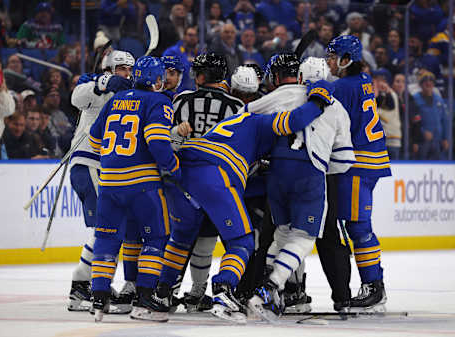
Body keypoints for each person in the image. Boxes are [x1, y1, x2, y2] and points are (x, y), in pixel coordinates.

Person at [155, 81, 329, 323]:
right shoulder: (258, 120)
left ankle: (161, 293)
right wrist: (319, 100)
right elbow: (294, 121)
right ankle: (224, 291)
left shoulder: (231, 122)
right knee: (242, 241)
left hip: (183, 172)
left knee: (181, 239)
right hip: (215, 173)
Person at [248, 57, 355, 321]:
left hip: (276, 172)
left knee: (282, 232)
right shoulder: (336, 107)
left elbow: (245, 114)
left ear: (299, 75)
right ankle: (271, 286)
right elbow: (342, 161)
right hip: (310, 173)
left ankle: (262, 287)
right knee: (305, 238)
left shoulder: (281, 93)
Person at [88, 56, 179, 322]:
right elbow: (157, 141)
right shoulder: (159, 101)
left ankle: (99, 297)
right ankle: (144, 299)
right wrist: (174, 168)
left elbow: (95, 141)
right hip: (142, 185)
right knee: (156, 238)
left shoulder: (116, 100)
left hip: (108, 183)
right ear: (156, 80)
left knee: (106, 239)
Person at [169, 53, 244, 312]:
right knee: (207, 240)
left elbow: (170, 141)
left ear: (200, 76)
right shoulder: (235, 105)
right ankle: (199, 292)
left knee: (178, 238)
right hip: (218, 181)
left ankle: (167, 289)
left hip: (183, 179)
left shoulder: (181, 100)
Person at [325, 35, 391, 310]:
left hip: (356, 164)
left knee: (357, 226)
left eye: (333, 56)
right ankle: (374, 285)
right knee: (356, 225)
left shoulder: (341, 86)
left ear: (345, 59)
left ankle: (374, 287)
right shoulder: (364, 80)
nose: (329, 62)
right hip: (372, 160)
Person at [67, 50, 135, 313]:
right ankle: (82, 284)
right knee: (108, 229)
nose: (126, 74)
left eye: (129, 69)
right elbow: (77, 97)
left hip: (104, 168)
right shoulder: (94, 85)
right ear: (108, 68)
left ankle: (88, 283)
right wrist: (103, 83)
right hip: (90, 163)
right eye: (121, 68)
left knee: (109, 228)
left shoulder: (129, 94)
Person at [412, 71, 449, 160]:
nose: (428, 83)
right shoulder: (415, 99)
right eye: (425, 81)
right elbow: (413, 121)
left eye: (431, 81)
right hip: (422, 142)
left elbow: (444, 120)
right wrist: (422, 132)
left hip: (438, 141)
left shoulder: (439, 99)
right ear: (420, 84)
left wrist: (445, 138)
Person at [373, 68, 402, 160]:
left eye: (378, 79)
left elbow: (387, 117)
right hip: (381, 140)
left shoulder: (391, 95)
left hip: (392, 139)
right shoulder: (381, 95)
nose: (376, 82)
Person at [162, 26, 199, 93]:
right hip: (175, 93)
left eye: (195, 35)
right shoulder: (172, 51)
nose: (192, 38)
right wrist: (189, 62)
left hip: (193, 93)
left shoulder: (199, 53)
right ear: (184, 36)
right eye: (190, 35)